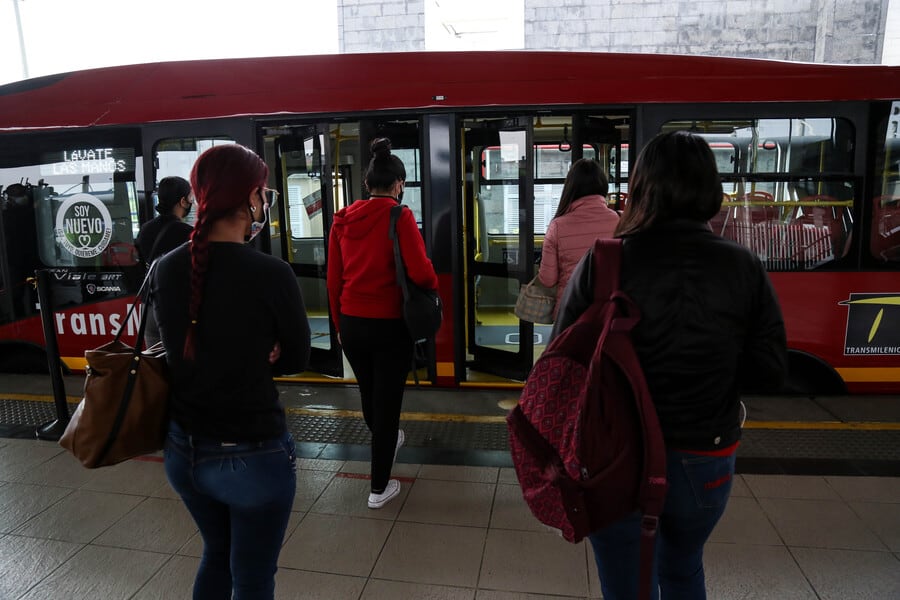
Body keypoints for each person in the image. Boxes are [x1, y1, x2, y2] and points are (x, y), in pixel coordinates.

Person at [552, 131, 787, 600]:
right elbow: (770, 371)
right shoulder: (743, 266)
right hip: (707, 453)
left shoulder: (605, 262)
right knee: (682, 569)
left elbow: (561, 360)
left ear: (641, 187)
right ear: (710, 188)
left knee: (624, 583)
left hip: (614, 455)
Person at [150, 144, 310, 599]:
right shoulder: (272, 273)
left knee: (216, 554)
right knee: (254, 577)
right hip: (253, 455)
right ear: (248, 199)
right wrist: (267, 348)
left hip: (184, 452)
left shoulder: (167, 268)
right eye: (262, 193)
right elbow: (298, 359)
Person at [326, 137, 438, 509]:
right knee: (388, 404)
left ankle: (387, 440)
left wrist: (340, 325)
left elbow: (333, 277)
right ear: (398, 185)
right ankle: (378, 488)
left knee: (370, 393)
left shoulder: (341, 219)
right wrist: (432, 285)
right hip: (390, 324)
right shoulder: (399, 215)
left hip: (353, 324)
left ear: (366, 184)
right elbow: (422, 272)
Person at [537, 158, 619, 319]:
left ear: (570, 188)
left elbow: (547, 280)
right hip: (608, 311)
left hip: (569, 311)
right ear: (603, 186)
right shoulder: (619, 221)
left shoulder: (557, 226)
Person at [136, 176, 194, 346]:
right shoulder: (188, 233)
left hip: (149, 305)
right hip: (174, 308)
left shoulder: (145, 229)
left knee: (156, 365)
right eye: (191, 197)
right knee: (179, 364)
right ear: (183, 201)